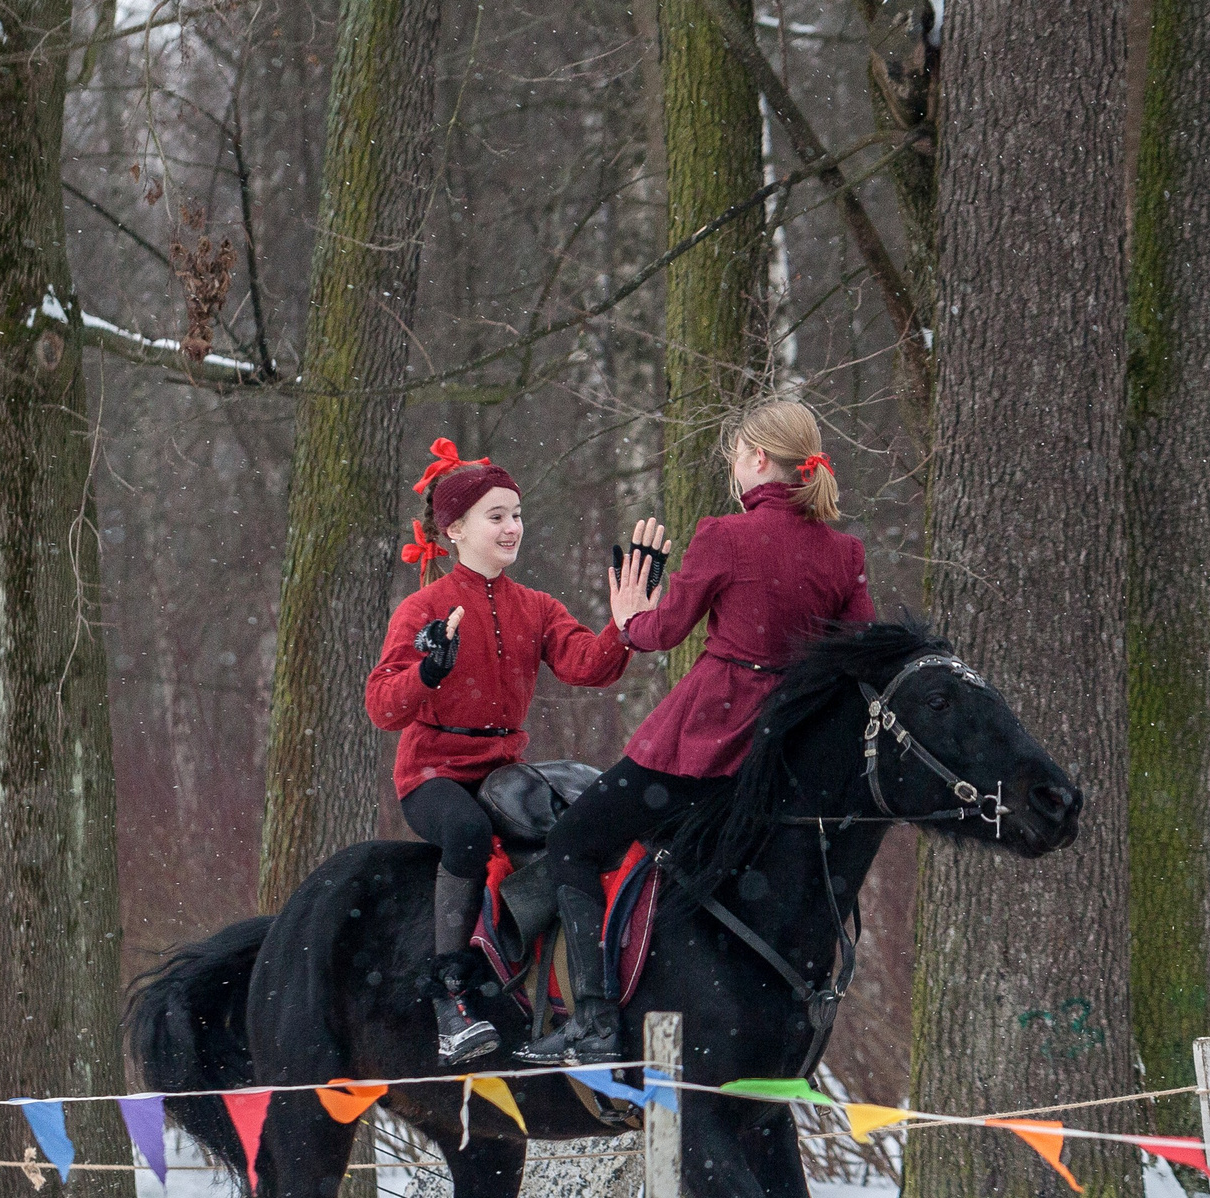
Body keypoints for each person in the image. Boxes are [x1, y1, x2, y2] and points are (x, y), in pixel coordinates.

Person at [519, 399, 873, 1064]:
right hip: (780, 766)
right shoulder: (843, 552)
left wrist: (628, 615)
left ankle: (594, 1019)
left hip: (699, 747)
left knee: (573, 840)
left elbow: (662, 632)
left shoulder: (724, 536)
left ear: (760, 460)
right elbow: (860, 651)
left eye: (738, 458)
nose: (736, 473)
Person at [365, 439, 663, 1064]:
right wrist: (429, 671)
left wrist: (625, 624)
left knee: (587, 823)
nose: (511, 528)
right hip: (433, 775)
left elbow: (590, 668)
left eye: (516, 515)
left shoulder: (537, 606)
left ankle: (578, 1005)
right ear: (455, 530)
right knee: (468, 833)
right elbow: (382, 707)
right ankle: (451, 999)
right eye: (495, 516)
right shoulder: (422, 608)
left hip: (504, 771)